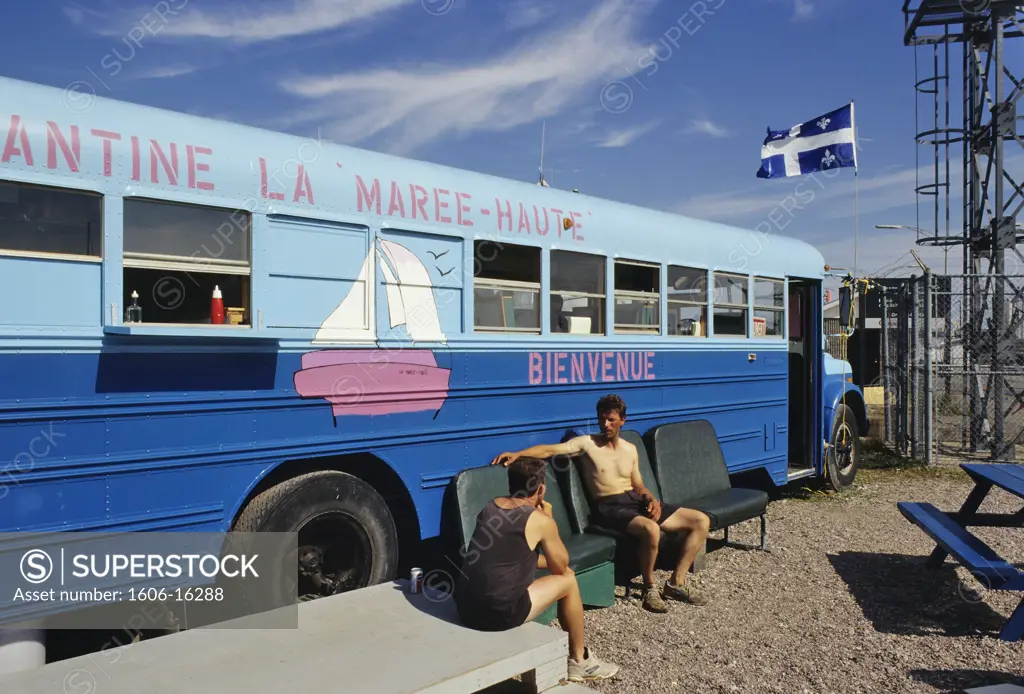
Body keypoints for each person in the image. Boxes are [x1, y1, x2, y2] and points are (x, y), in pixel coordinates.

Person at [491, 394, 710, 613]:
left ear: (622, 420)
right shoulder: (588, 444)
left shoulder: (630, 449)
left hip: (635, 501)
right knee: (651, 529)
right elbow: (549, 450)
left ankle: (676, 583)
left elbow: (638, 484)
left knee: (701, 521)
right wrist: (518, 454)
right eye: (602, 419)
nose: (605, 424)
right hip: (610, 507)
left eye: (611, 420)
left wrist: (651, 500)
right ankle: (649, 587)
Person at [454, 457, 620, 683]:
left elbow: (513, 557)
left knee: (561, 575)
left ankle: (579, 659)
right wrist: (549, 520)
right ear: (541, 489)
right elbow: (560, 566)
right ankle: (579, 662)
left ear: (511, 483)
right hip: (497, 614)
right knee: (569, 580)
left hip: (465, 608)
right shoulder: (540, 520)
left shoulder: (491, 507)